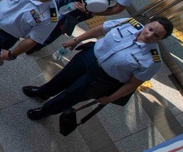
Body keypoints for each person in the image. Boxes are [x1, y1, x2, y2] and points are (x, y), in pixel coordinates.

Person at [23, 16, 172, 120]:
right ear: (148, 22)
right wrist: (76, 40)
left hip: (102, 78)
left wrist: (110, 98)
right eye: (150, 29)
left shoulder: (152, 60)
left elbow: (132, 84)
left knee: (71, 95)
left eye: (156, 36)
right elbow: (101, 30)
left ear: (160, 40)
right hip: (88, 57)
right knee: (63, 77)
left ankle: (45, 111)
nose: (149, 35)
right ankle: (43, 92)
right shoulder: (128, 23)